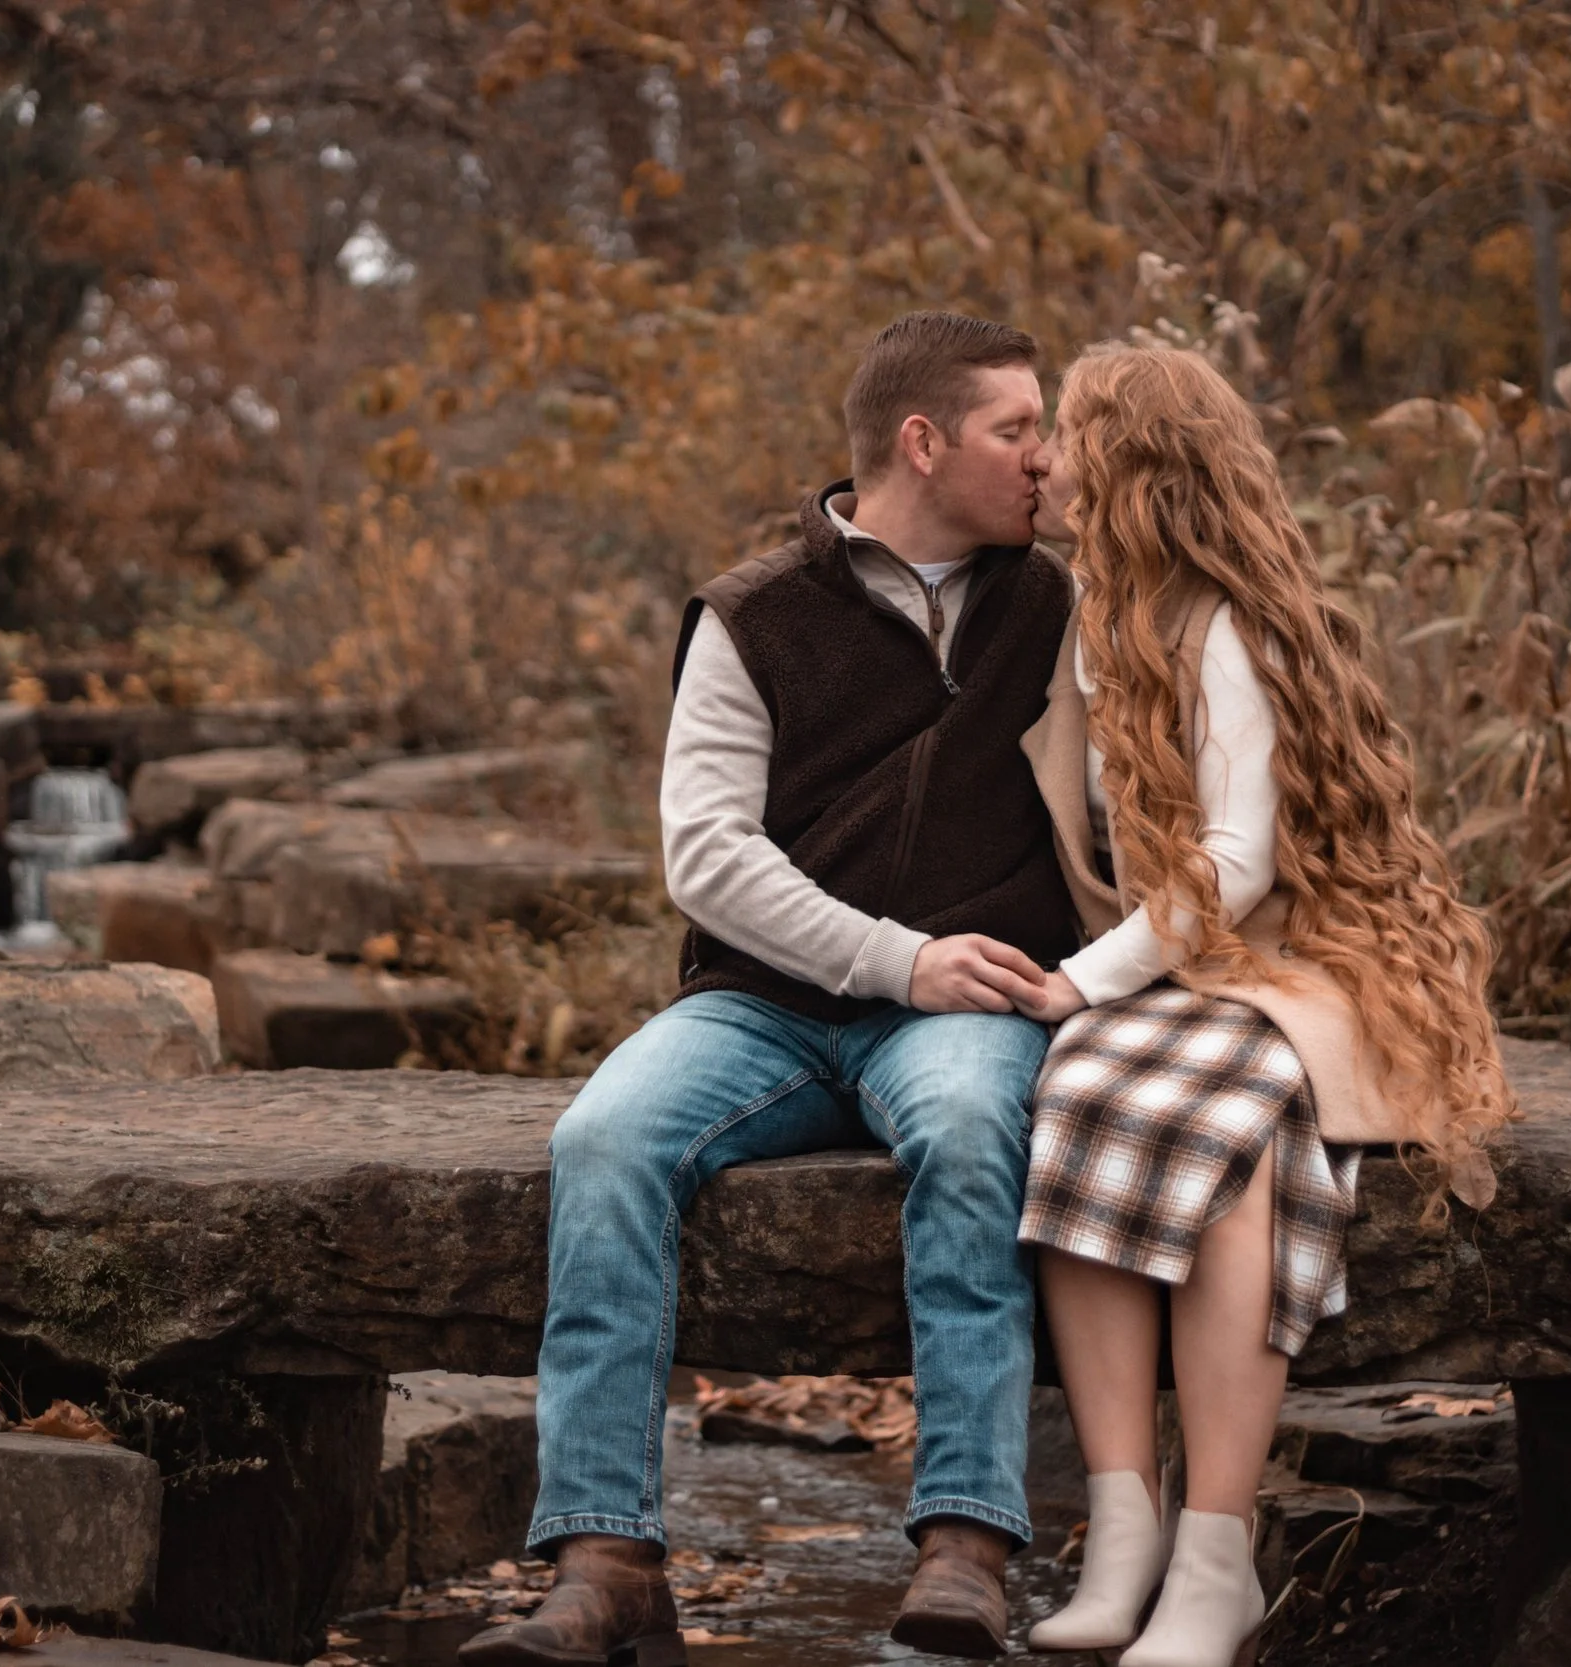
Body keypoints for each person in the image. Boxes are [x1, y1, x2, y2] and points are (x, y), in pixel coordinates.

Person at [458, 311, 1076, 1667]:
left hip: (965, 1012)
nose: (1049, 457)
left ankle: (967, 1543)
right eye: (1018, 429)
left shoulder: (1060, 603)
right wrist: (891, 956)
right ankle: (605, 1559)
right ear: (924, 441)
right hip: (768, 1005)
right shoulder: (755, 614)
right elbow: (706, 855)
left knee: (975, 1133)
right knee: (603, 1137)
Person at [1006, 344, 1515, 1667]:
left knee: (1229, 1137)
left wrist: (1086, 977)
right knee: (1075, 1093)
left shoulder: (1234, 626)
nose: (1049, 462)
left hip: (1297, 964)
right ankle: (1125, 1516)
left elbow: (1241, 858)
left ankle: (1218, 1549)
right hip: (1189, 968)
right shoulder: (1091, 611)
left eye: (1068, 438)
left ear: (1135, 472)